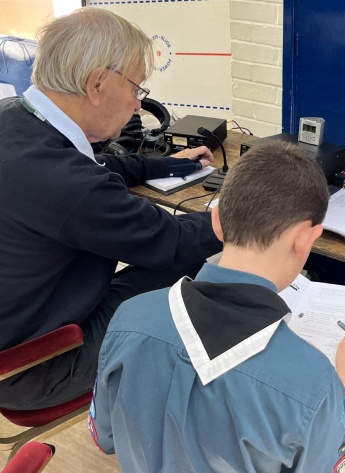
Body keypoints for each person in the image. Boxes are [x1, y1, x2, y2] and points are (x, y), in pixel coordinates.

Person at [90, 140, 345, 472]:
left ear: (217, 222)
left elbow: (104, 436)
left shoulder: (128, 317)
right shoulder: (316, 383)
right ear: (306, 239)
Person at [0, 7, 222, 410]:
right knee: (188, 267)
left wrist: (171, 162)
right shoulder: (67, 184)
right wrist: (241, 214)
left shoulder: (15, 121)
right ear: (97, 83)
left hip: (18, 325)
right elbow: (170, 240)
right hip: (37, 366)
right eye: (138, 88)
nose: (138, 105)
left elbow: (97, 163)